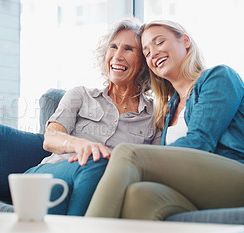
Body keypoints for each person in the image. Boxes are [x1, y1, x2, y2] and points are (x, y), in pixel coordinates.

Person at [85, 19, 244, 220]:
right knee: (138, 195)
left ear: (185, 41)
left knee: (127, 153)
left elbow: (200, 143)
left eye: (159, 43)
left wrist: (141, 158)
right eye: (147, 52)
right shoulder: (170, 109)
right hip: (202, 188)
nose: (153, 53)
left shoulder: (219, 77)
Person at [23, 18, 161, 216]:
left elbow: (153, 166)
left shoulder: (154, 115)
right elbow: (50, 138)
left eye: (129, 49)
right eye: (113, 47)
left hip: (102, 187)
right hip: (49, 175)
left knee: (102, 167)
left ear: (143, 64)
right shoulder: (80, 94)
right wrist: (81, 145)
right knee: (96, 161)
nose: (117, 56)